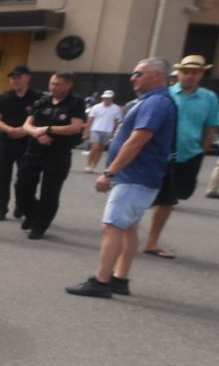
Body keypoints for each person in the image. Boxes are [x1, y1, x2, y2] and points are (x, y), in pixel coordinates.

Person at [67, 57, 176, 299]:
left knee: (112, 226)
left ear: (157, 76)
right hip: (136, 175)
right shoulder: (150, 101)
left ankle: (101, 280)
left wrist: (109, 172)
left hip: (135, 175)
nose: (132, 78)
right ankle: (120, 278)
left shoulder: (157, 102)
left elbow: (137, 140)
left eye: (138, 74)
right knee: (127, 227)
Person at [139, 54, 219, 259]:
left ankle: (151, 241)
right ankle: (126, 234)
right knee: (141, 194)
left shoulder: (209, 98)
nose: (189, 76)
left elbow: (211, 126)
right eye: (186, 72)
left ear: (201, 74)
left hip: (188, 155)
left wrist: (202, 151)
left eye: (194, 72)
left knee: (169, 199)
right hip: (158, 153)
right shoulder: (165, 94)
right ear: (178, 73)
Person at [16, 71, 89, 239]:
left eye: (58, 84)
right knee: (22, 187)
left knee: (50, 192)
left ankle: (39, 226)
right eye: (52, 84)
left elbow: (75, 127)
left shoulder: (75, 103)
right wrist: (37, 133)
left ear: (69, 85)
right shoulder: (42, 101)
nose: (53, 87)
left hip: (58, 153)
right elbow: (27, 124)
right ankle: (32, 214)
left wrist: (48, 130)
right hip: (34, 150)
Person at [0, 66, 36, 220]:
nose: (15, 80)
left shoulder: (37, 98)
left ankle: (21, 206)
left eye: (19, 77)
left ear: (28, 78)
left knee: (25, 179)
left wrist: (24, 130)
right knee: (3, 178)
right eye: (13, 78)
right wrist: (9, 129)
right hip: (6, 143)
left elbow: (40, 119)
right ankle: (1, 209)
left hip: (28, 143)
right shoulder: (3, 98)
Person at [84, 90, 122, 173]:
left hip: (108, 131)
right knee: (95, 147)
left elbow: (116, 121)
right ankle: (89, 164)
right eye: (105, 98)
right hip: (95, 129)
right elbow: (90, 119)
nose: (106, 99)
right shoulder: (96, 107)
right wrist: (87, 131)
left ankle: (94, 166)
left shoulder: (116, 108)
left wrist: (113, 132)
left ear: (112, 98)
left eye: (108, 98)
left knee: (100, 149)